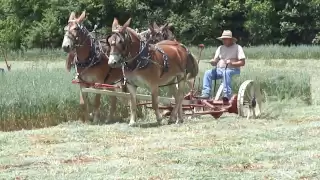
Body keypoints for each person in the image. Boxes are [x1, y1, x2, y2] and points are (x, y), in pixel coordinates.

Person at [200, 30, 246, 102]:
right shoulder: (220, 48)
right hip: (219, 70)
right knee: (208, 73)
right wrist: (213, 62)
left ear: (230, 39)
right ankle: (206, 93)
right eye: (223, 39)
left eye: (225, 39)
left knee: (226, 72)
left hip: (233, 70)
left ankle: (227, 95)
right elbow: (215, 61)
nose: (223, 41)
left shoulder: (237, 47)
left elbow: (242, 62)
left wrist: (232, 63)